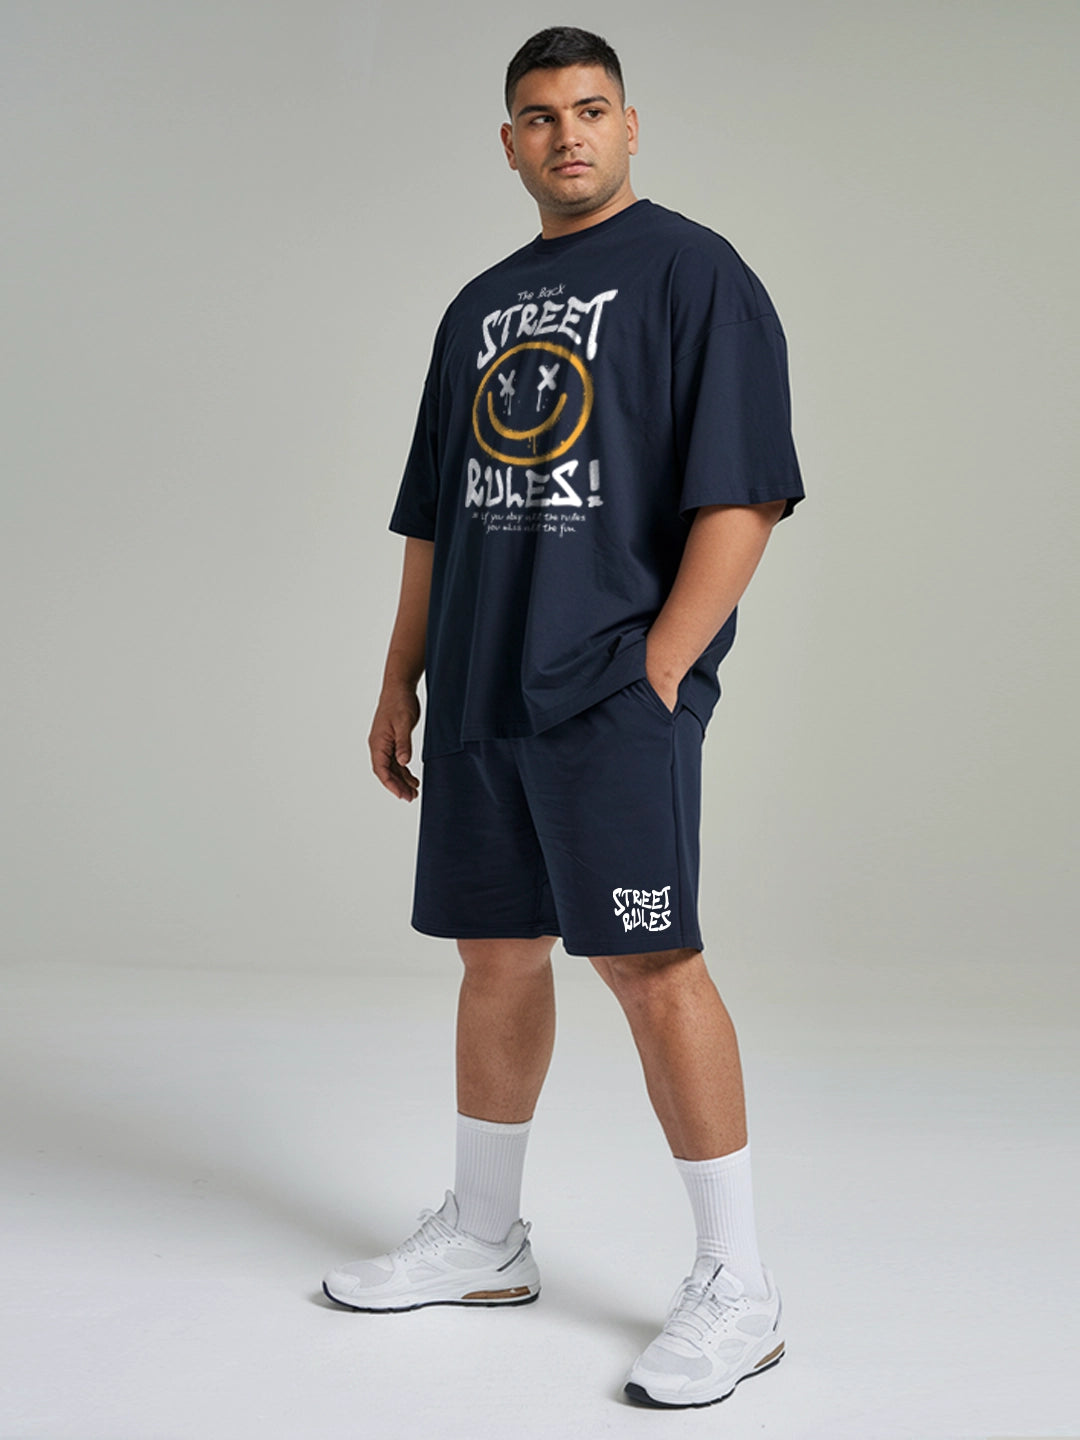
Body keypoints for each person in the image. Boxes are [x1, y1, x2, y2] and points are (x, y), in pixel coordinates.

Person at [323, 26, 805, 1412]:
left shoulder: (696, 275)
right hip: (480, 687)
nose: (568, 134)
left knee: (652, 963)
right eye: (540, 116)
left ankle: (740, 1286)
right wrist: (401, 674)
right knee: (495, 956)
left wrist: (660, 667)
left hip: (605, 689)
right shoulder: (477, 307)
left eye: (591, 110)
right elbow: (434, 514)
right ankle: (484, 1239)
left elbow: (746, 494)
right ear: (509, 143)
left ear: (631, 125)